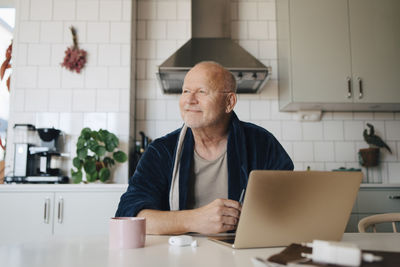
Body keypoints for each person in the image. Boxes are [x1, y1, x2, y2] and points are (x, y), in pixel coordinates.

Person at [116, 61, 293, 235]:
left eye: (202, 92)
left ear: (229, 102)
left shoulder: (261, 143)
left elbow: (289, 207)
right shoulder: (161, 151)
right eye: (185, 91)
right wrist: (195, 220)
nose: (190, 100)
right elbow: (129, 216)